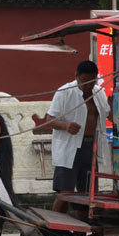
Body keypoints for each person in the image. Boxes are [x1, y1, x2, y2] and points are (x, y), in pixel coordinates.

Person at [47, 60, 110, 212]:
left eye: (92, 81)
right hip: (70, 148)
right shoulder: (64, 92)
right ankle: (51, 229)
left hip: (90, 147)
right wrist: (66, 126)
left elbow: (107, 114)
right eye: (85, 81)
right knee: (65, 192)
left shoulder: (99, 92)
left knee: (87, 193)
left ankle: (81, 233)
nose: (89, 85)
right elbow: (50, 120)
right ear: (76, 76)